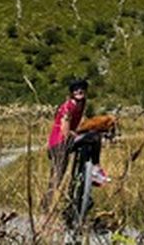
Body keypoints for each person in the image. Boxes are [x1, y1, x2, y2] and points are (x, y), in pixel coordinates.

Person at [42, 79, 107, 210]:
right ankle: (95, 168)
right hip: (60, 144)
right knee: (95, 137)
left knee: (57, 177)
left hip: (63, 143)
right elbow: (65, 130)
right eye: (75, 89)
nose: (79, 91)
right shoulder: (69, 106)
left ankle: (46, 204)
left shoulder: (81, 104)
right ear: (71, 93)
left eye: (82, 88)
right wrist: (76, 135)